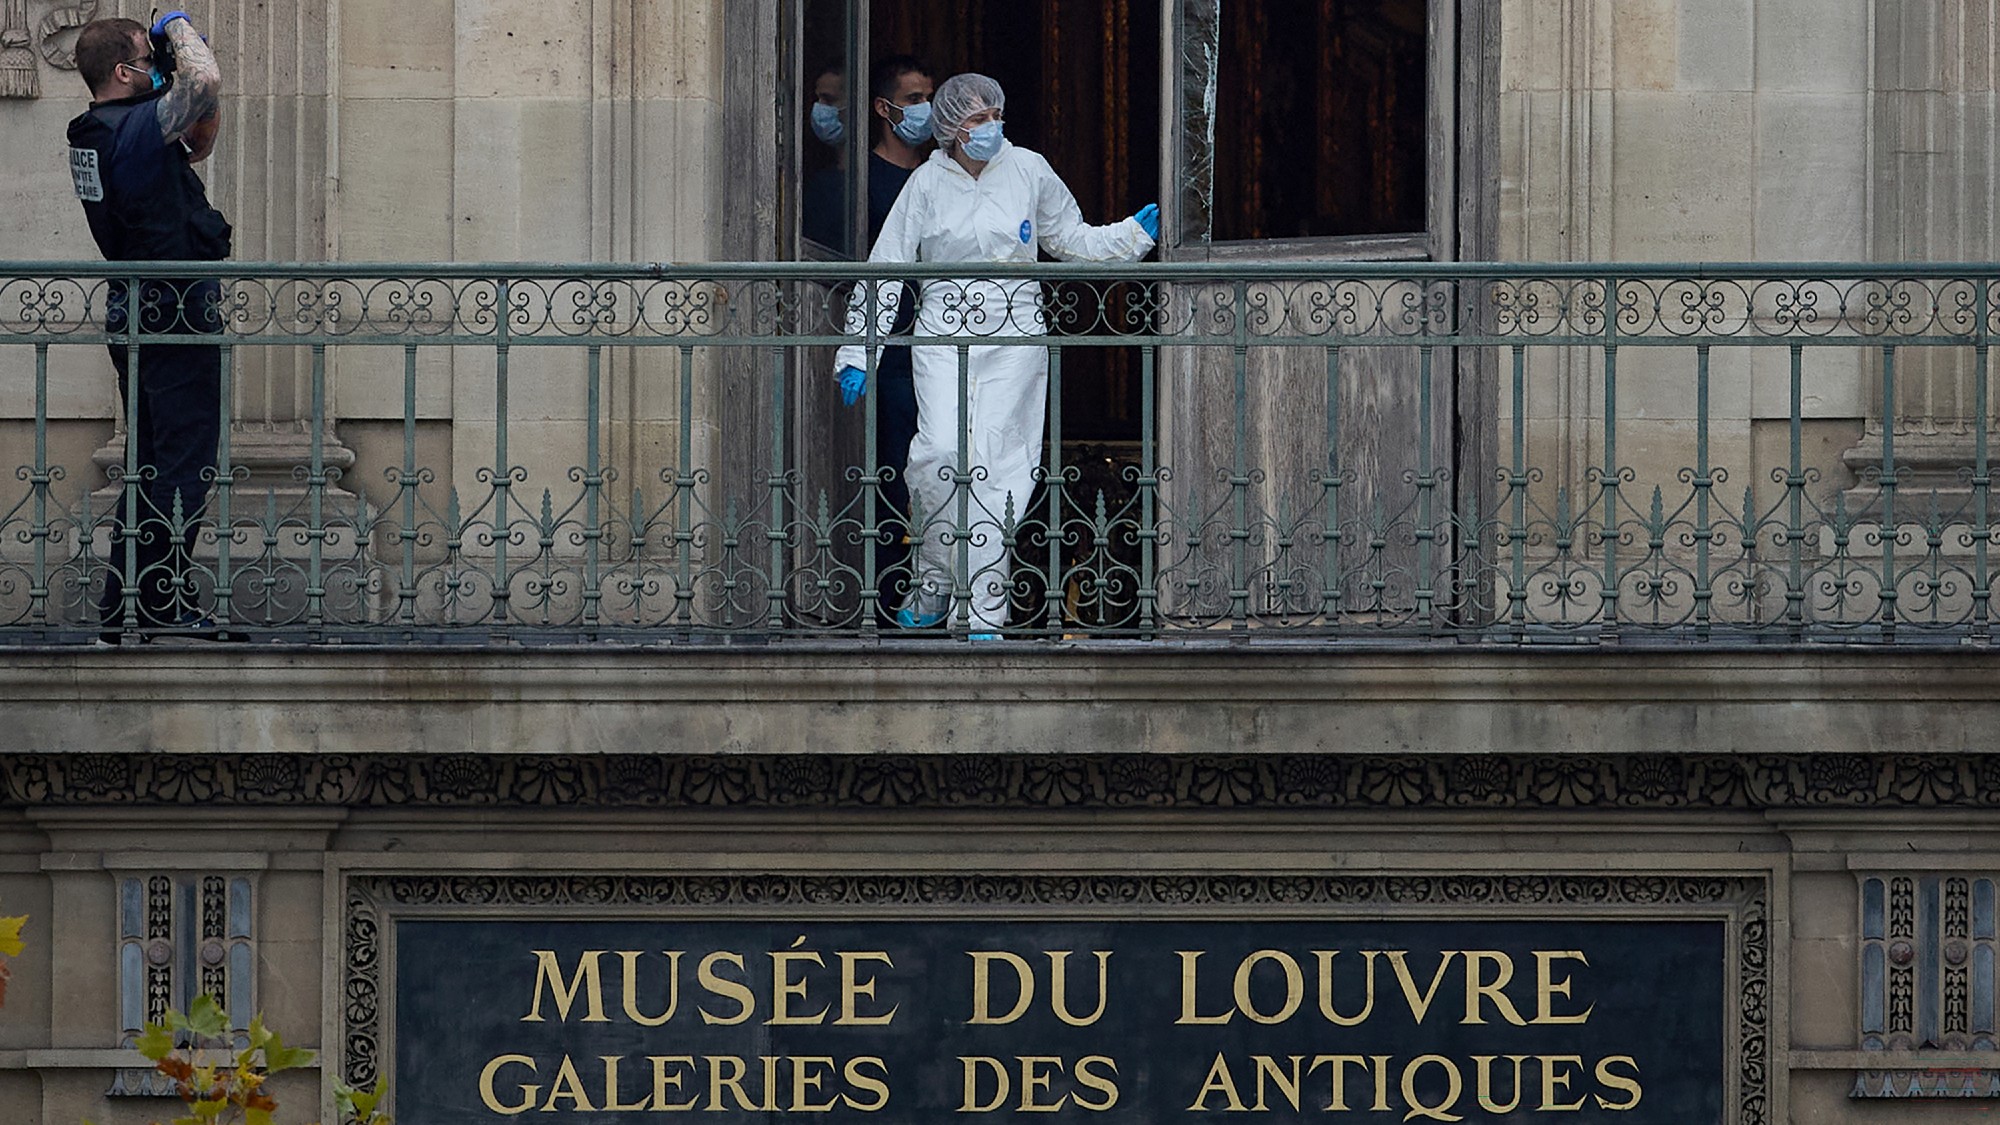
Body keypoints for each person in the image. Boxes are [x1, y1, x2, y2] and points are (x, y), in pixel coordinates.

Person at [833, 73, 1161, 638]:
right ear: (950, 127)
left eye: (994, 115)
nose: (989, 127)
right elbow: (888, 264)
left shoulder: (1028, 168)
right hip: (942, 332)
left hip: (1015, 334)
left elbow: (1070, 239)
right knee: (937, 455)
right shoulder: (926, 183)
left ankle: (982, 608)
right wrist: (859, 350)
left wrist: (1130, 237)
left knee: (1000, 468)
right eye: (976, 118)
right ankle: (934, 583)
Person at [66, 12, 230, 639]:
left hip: (139, 309)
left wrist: (170, 67)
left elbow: (201, 135)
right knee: (183, 465)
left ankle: (127, 606)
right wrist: (179, 28)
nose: (157, 64)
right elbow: (205, 80)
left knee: (152, 465)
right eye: (146, 57)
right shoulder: (129, 129)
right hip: (172, 310)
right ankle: (162, 606)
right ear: (121, 72)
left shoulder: (103, 130)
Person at [853, 53, 934, 623]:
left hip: (945, 346)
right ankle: (884, 602)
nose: (924, 109)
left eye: (930, 96)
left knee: (945, 472)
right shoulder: (862, 182)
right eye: (913, 99)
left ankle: (941, 598)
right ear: (884, 109)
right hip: (891, 352)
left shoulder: (942, 177)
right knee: (891, 476)